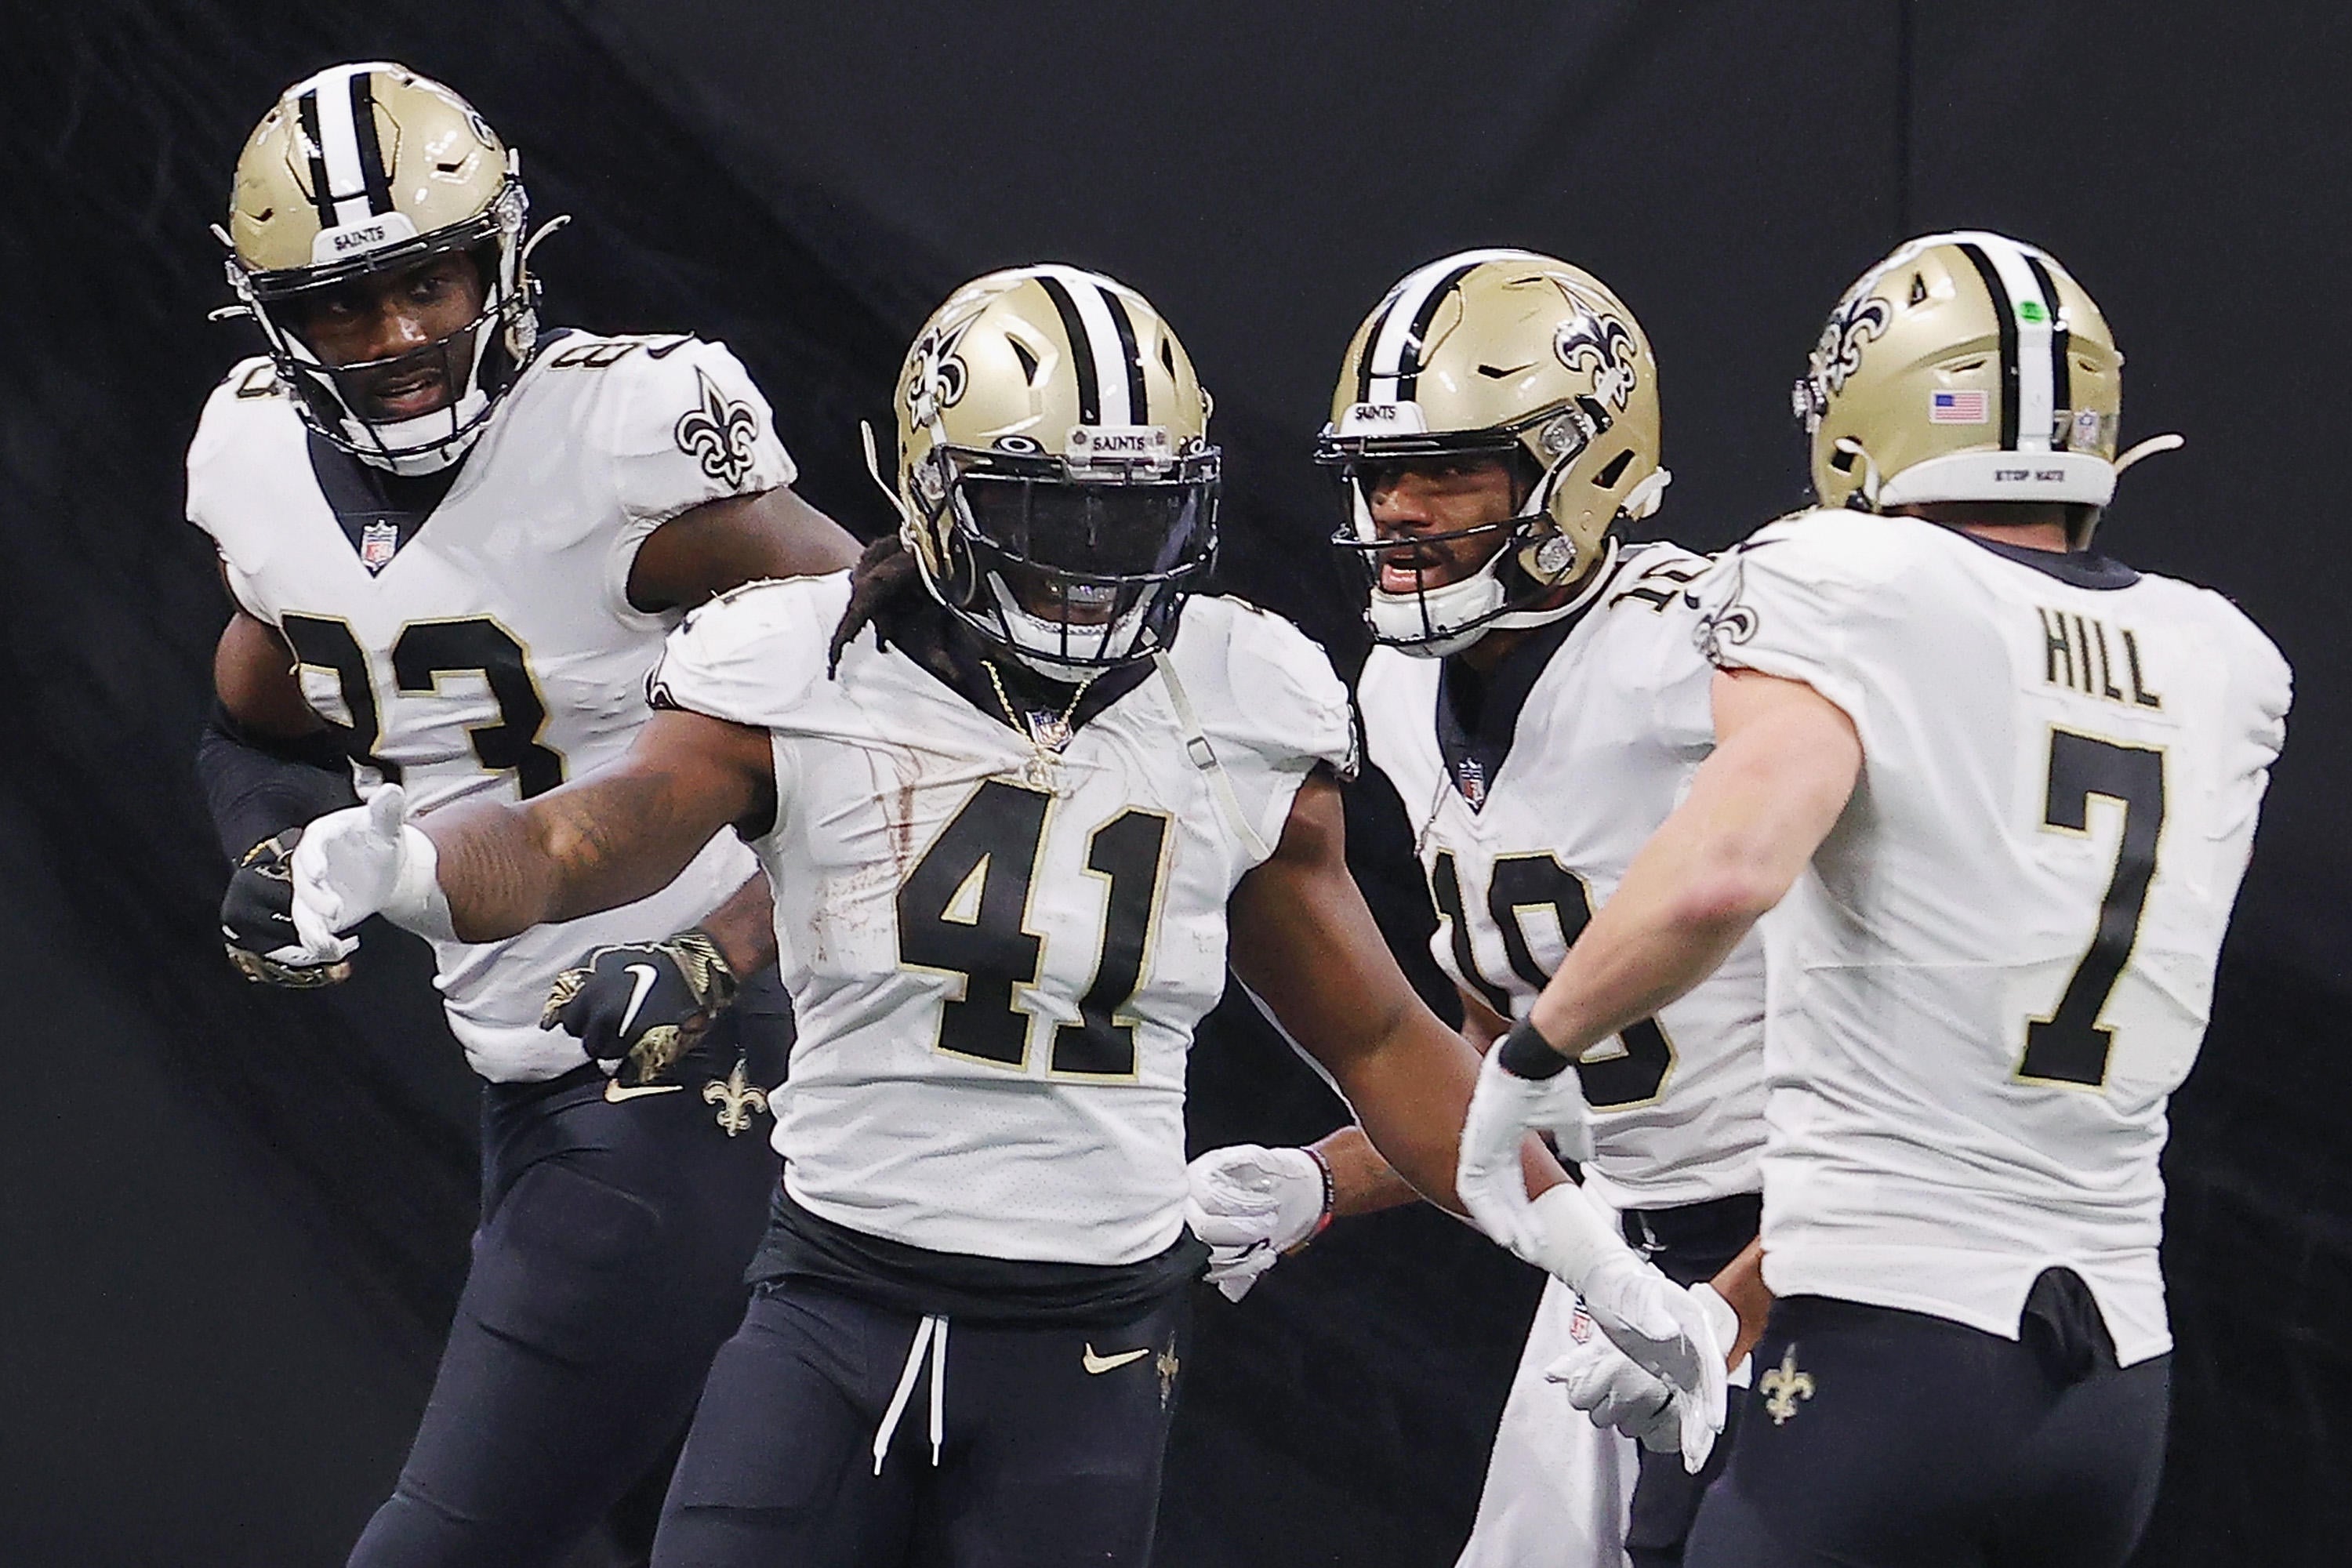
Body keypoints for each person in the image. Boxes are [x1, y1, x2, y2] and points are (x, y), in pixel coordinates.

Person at [279, 263, 1728, 1568]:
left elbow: (1385, 1043)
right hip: (830, 1309)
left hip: (1086, 1353)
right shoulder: (806, 666)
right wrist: (407, 872)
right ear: (938, 498)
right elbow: (573, 841)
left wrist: (1594, 1259)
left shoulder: (1244, 699)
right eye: (1056, 514)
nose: (1102, 561)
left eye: (1140, 511)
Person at [1454, 230, 2291, 1567]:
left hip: (1879, 1356)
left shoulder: (1842, 579)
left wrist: (1530, 1056)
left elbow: (1729, 864)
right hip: (2115, 1380)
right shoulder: (2225, 658)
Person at [189, 62, 861, 1566]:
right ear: (271, 322)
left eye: (429, 281)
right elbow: (251, 734)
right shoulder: (249, 464)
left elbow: (917, 716)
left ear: (500, 258)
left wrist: (734, 953)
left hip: (705, 1055)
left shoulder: (629, 432)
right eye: (344, 308)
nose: (404, 337)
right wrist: (274, 859)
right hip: (531, 1075)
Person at [1184, 250, 1766, 1568]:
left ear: (1581, 466)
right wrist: (1315, 1182)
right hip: (1615, 1260)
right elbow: (1505, 1078)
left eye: (1447, 469)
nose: (1397, 509)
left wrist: (1737, 1311)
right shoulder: (1397, 689)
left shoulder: (1710, 651)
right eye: (1378, 474)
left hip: (1807, 1246)